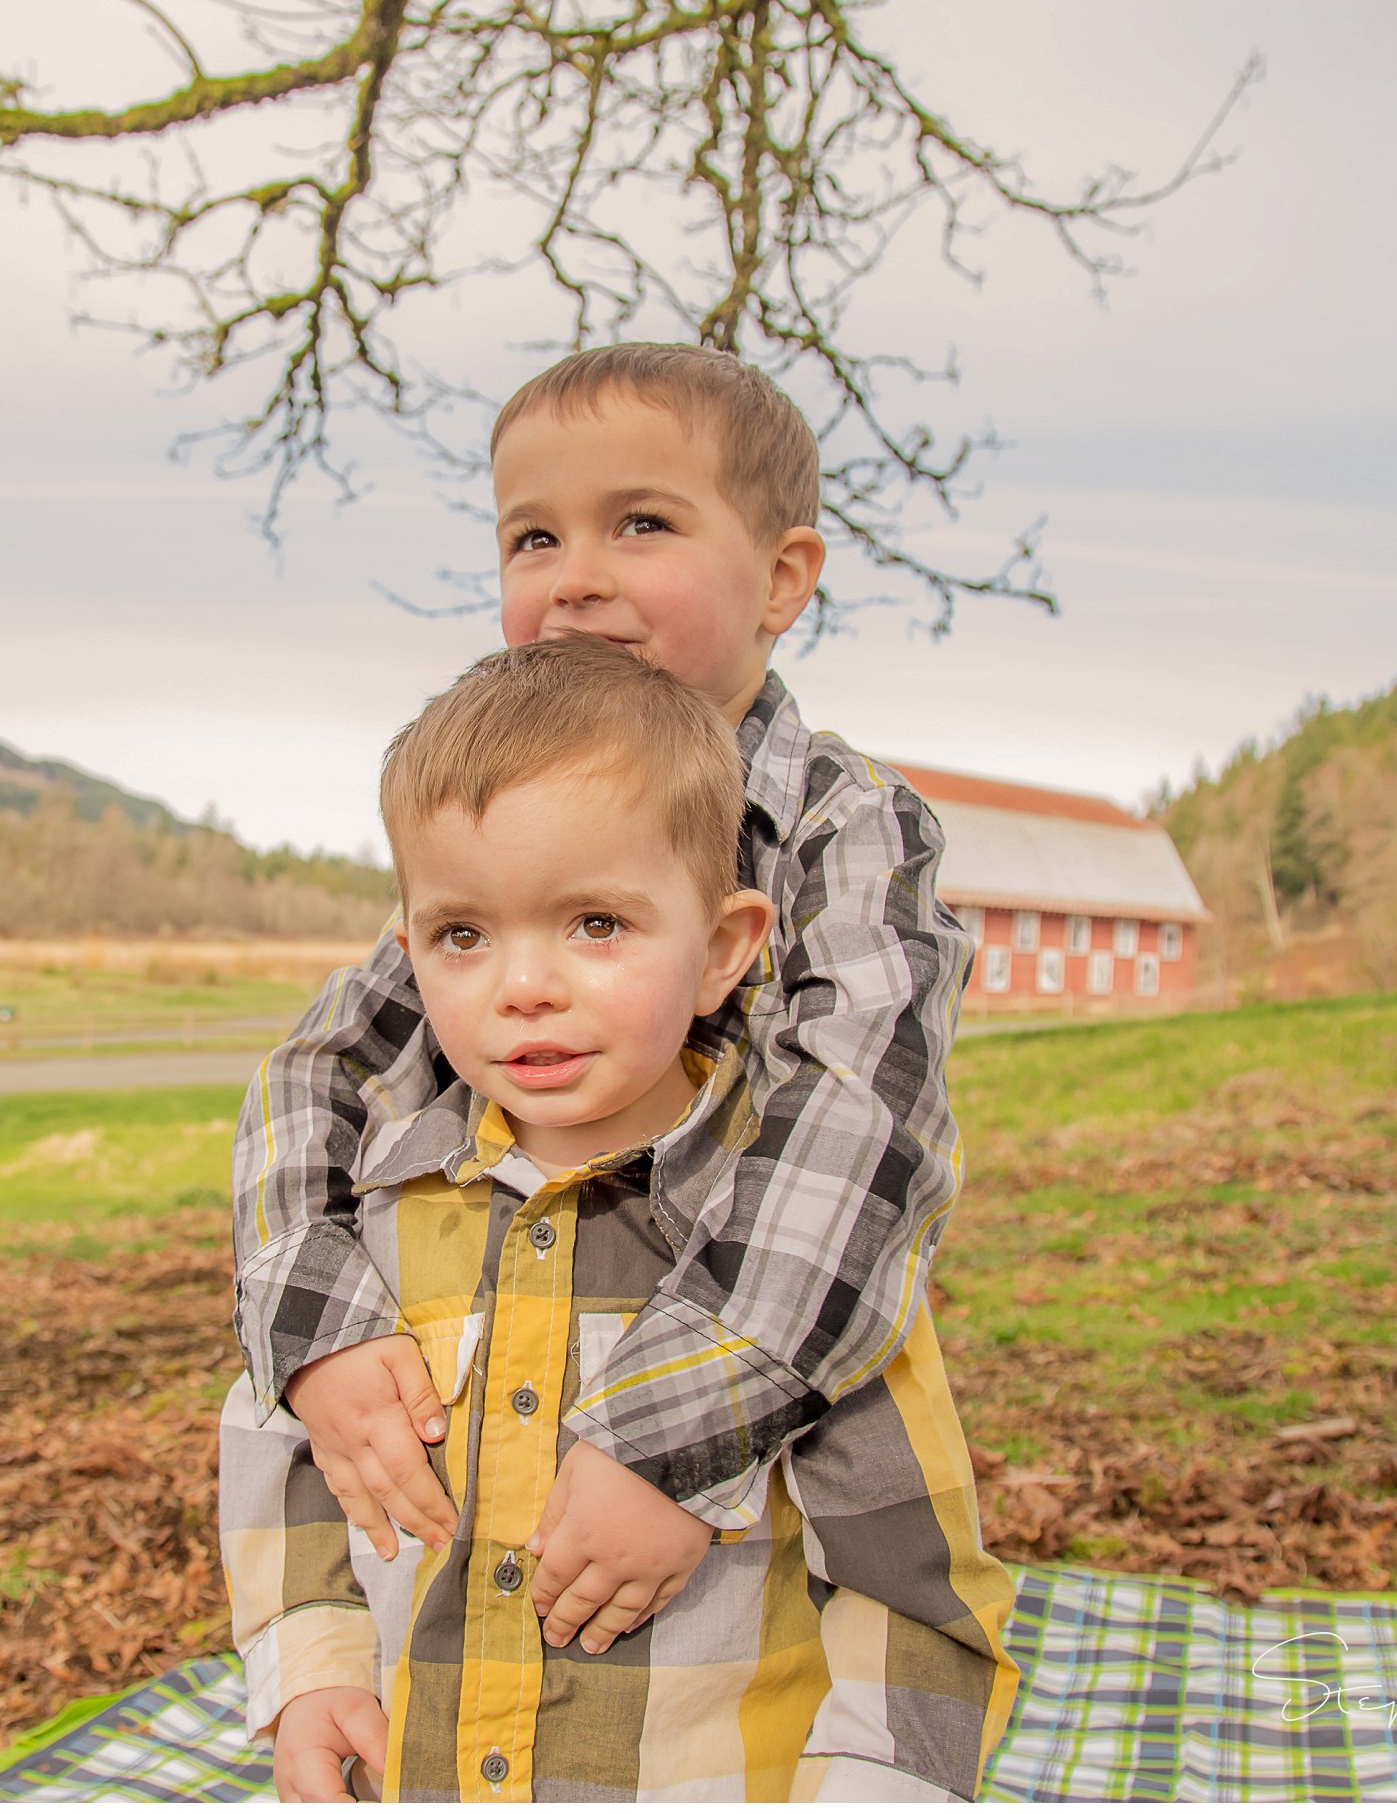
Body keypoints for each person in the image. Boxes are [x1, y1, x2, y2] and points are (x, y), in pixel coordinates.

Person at [234, 343, 979, 1661]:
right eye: (531, 537)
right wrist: (316, 1321)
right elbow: (325, 1071)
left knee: (789, 1650)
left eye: (639, 523)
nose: (572, 574)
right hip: (509, 1299)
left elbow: (860, 1121)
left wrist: (671, 1436)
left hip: (761, 1359)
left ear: (781, 579)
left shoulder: (841, 824)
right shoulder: (519, 810)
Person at [219, 638, 1017, 1801]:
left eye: (595, 923)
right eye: (463, 934)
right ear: (406, 958)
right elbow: (289, 1449)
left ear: (724, 951)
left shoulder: (790, 1254)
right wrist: (313, 1664)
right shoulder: (375, 1223)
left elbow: (913, 1590)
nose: (522, 983)